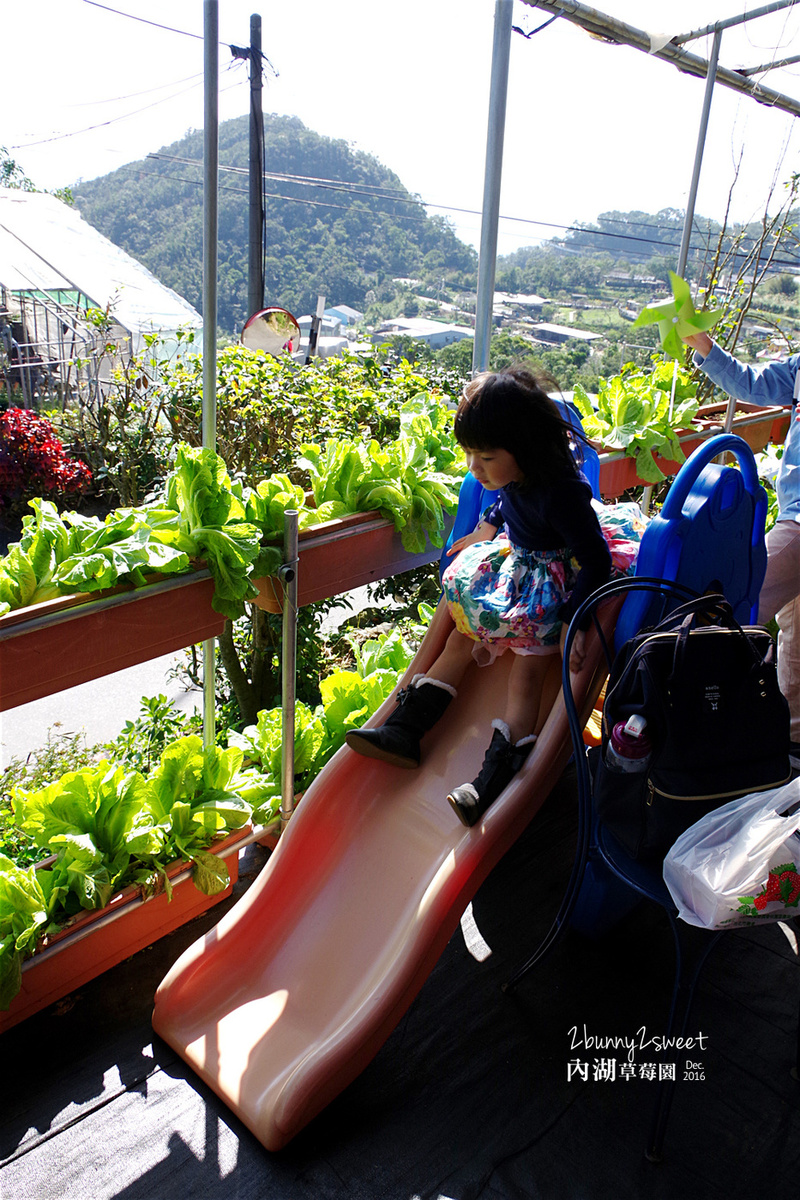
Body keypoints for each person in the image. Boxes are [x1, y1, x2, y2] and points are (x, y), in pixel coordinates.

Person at [346, 366, 644, 827]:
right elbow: (507, 500)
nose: (473, 468)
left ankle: (493, 779)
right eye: (469, 454)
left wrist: (574, 618)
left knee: (525, 679)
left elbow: (596, 559)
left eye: (484, 457)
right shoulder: (514, 476)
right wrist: (488, 525)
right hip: (517, 565)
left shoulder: (562, 493)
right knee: (456, 639)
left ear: (524, 449)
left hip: (551, 582)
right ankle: (405, 731)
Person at [682, 330, 800, 757]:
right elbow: (752, 383)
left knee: (734, 609)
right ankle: (786, 747)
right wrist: (704, 346)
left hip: (799, 525)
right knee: (794, 636)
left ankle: (695, 730)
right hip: (793, 512)